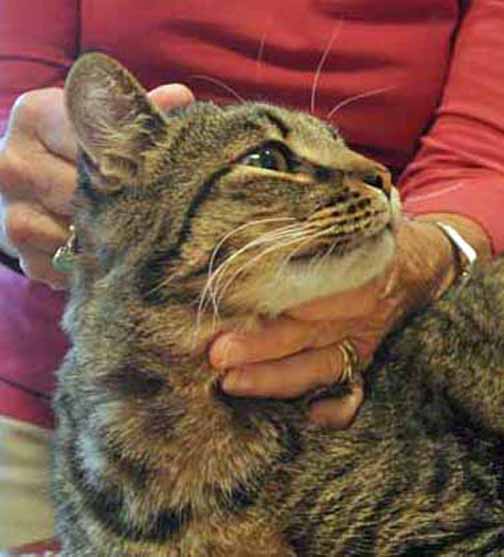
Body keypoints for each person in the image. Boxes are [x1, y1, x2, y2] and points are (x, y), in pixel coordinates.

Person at [0, 0, 502, 551]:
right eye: (270, 161)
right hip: (33, 375)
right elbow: (10, 118)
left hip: (375, 336)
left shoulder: (348, 452)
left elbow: (484, 148)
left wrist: (433, 251)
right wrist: (38, 197)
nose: (372, 176)